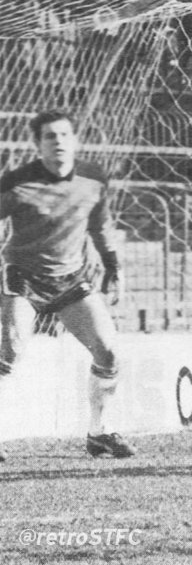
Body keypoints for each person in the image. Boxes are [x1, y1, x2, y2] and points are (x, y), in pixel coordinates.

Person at [0, 110, 134, 461]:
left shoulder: (93, 179)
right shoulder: (16, 183)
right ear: (37, 145)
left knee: (109, 352)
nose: (58, 142)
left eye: (63, 135)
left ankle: (99, 433)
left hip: (72, 279)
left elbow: (100, 227)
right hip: (24, 276)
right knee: (10, 352)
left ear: (75, 141)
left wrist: (113, 267)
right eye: (49, 136)